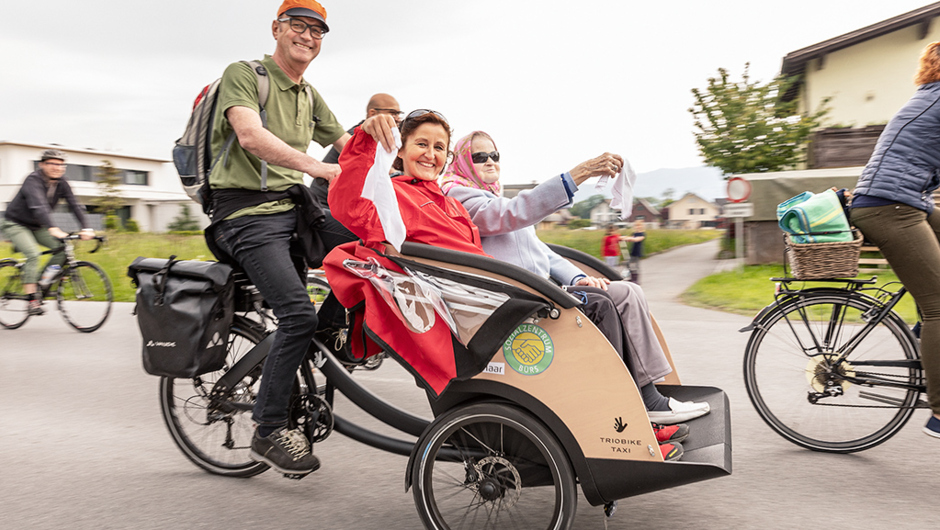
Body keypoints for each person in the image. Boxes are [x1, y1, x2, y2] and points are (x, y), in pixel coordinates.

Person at [328, 116, 691, 459]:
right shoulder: (398, 195)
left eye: (439, 147)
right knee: (599, 308)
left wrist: (567, 279)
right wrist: (367, 137)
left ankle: (633, 417)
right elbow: (352, 202)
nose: (430, 154)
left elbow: (505, 250)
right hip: (478, 308)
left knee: (603, 304)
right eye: (421, 144)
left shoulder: (447, 204)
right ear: (401, 150)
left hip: (493, 295)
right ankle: (626, 427)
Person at [441, 131, 710, 430]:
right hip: (518, 303)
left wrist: (580, 276)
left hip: (538, 290)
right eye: (480, 157)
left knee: (627, 292)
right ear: (462, 161)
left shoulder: (491, 196)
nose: (490, 161)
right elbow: (510, 214)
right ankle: (633, 401)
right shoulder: (459, 196)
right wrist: (578, 175)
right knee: (604, 304)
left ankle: (649, 391)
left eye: (495, 155)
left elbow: (541, 251)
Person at [206, 0, 355, 477]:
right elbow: (249, 136)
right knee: (295, 314)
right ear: (276, 28)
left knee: (371, 247)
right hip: (244, 214)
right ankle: (268, 429)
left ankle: (328, 330)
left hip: (292, 210)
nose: (308, 36)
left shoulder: (309, 94)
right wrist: (318, 166)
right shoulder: (246, 74)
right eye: (298, 25)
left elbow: (351, 147)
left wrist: (413, 164)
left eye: (317, 31)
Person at [849, 41, 940, 439]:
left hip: (904, 201)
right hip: (890, 207)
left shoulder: (928, 94)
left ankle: (924, 331)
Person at [0, 149, 95, 315]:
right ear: (42, 165)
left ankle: (41, 283)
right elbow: (38, 206)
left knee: (62, 248)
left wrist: (86, 227)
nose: (57, 167)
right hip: (15, 223)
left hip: (37, 226)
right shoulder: (32, 180)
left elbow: (75, 205)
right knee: (33, 254)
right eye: (52, 163)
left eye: (60, 165)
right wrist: (52, 227)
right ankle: (32, 300)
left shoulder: (62, 183)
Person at [310, 93, 402, 207]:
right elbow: (382, 168)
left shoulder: (381, 138)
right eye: (393, 113)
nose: (397, 118)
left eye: (399, 113)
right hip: (324, 206)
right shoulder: (358, 137)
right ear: (372, 114)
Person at [624, 218, 646, 283]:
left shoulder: (642, 234)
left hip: (637, 252)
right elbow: (631, 238)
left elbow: (637, 239)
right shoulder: (634, 233)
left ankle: (636, 279)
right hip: (633, 251)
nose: (638, 227)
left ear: (642, 226)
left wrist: (630, 238)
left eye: (639, 225)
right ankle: (632, 277)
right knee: (628, 264)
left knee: (636, 266)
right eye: (636, 225)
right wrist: (625, 239)